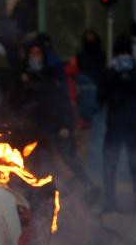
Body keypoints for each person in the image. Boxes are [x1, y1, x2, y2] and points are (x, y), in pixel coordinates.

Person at [13, 33, 100, 201]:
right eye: (32, 53)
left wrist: (65, 125)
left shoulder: (54, 75)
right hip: (32, 129)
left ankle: (87, 188)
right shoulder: (22, 75)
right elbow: (16, 101)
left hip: (54, 125)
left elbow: (63, 101)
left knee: (68, 157)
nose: (35, 57)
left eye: (38, 53)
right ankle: (35, 196)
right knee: (34, 164)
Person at [98, 37, 136, 213]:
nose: (124, 57)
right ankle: (112, 202)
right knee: (111, 165)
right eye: (121, 53)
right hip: (118, 125)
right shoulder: (110, 72)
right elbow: (102, 96)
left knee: (135, 165)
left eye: (126, 53)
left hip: (129, 124)